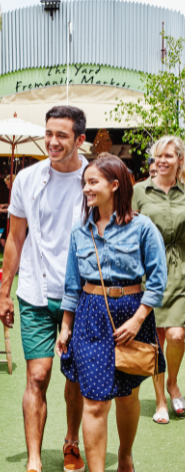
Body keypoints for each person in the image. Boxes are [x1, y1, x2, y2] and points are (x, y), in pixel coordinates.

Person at [57, 155, 167, 472]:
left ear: (114, 185)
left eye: (93, 182)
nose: (86, 189)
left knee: (127, 396)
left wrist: (137, 319)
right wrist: (66, 326)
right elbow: (71, 285)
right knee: (94, 400)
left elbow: (157, 281)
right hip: (90, 315)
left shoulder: (142, 227)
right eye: (85, 183)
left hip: (133, 315)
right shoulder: (80, 232)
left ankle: (125, 455)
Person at [0, 106, 88, 472]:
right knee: (37, 375)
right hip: (34, 291)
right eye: (48, 133)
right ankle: (34, 459)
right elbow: (15, 238)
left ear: (80, 139)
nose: (52, 141)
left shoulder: (92, 179)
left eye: (62, 135)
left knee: (76, 378)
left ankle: (71, 440)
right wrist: (4, 291)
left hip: (82, 295)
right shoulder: (27, 179)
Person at [133, 136, 185, 423]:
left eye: (168, 155)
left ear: (179, 159)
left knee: (177, 335)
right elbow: (125, 228)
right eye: (157, 156)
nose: (162, 160)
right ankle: (161, 401)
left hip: (180, 270)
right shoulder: (139, 191)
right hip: (148, 269)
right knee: (155, 338)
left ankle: (173, 381)